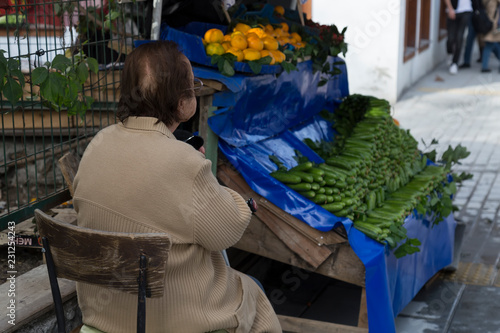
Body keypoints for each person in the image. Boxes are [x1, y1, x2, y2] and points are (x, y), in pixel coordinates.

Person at [73, 41, 281, 333]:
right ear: (182, 102)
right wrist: (231, 197)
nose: (195, 90)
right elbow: (226, 232)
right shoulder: (184, 161)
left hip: (103, 314)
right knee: (252, 289)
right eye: (192, 85)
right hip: (171, 317)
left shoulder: (98, 143)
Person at [444, 0, 473, 74]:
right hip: (453, 10)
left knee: (459, 38)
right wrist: (450, 8)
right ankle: (450, 53)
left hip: (466, 11)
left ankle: (455, 63)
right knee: (451, 38)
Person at [480, 0, 500, 72]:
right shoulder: (493, 2)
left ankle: (484, 66)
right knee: (489, 45)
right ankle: (484, 67)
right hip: (493, 26)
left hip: (489, 25)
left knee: (491, 45)